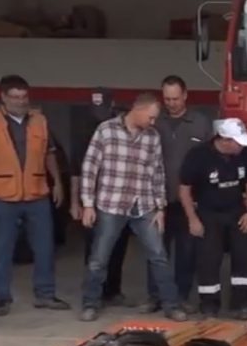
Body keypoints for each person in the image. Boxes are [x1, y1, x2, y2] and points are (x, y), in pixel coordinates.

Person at [79, 92, 187, 323]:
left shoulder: (152, 137)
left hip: (144, 205)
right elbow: (90, 167)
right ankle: (90, 303)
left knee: (159, 255)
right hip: (111, 203)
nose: (153, 122)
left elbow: (157, 172)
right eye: (150, 117)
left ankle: (171, 304)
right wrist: (88, 204)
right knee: (99, 257)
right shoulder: (106, 130)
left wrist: (160, 207)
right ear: (137, 110)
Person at [0, 74, 68, 316]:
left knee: (45, 247)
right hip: (2, 195)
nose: (20, 101)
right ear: (3, 97)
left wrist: (56, 182)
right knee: (1, 248)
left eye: (24, 97)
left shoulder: (40, 121)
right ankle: (1, 298)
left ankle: (45, 295)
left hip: (37, 193)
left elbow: (50, 153)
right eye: (14, 97)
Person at [143, 75, 211, 314]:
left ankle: (181, 296)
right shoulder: (153, 122)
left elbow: (208, 160)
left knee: (187, 252)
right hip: (157, 199)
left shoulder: (201, 123)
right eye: (167, 99)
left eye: (175, 98)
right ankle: (155, 297)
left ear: (185, 95)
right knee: (156, 250)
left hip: (189, 201)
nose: (171, 103)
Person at [179, 118, 247, 319]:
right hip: (208, 215)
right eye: (238, 142)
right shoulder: (198, 156)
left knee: (244, 257)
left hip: (237, 213)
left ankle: (241, 305)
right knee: (208, 261)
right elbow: (184, 190)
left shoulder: (244, 153)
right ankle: (209, 306)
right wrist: (193, 219)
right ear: (225, 140)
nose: (242, 146)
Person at [70, 88, 132, 307]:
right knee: (94, 251)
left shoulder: (123, 127)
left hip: (119, 198)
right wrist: (75, 202)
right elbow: (76, 170)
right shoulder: (83, 130)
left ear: (112, 105)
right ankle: (92, 295)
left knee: (118, 246)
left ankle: (113, 290)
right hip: (93, 201)